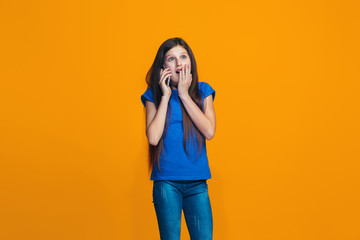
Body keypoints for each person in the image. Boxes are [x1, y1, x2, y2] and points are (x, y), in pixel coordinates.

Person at [141, 37, 216, 240]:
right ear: (163, 66)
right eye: (171, 59)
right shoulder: (153, 96)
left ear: (190, 61)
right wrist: (165, 96)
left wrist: (184, 95)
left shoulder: (203, 91)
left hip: (197, 183)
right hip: (167, 183)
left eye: (183, 57)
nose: (179, 63)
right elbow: (153, 138)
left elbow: (209, 131)